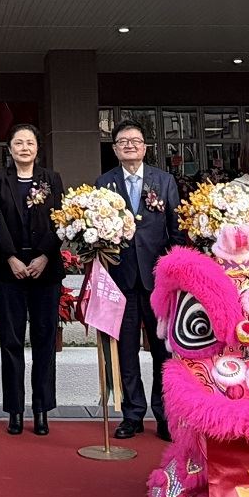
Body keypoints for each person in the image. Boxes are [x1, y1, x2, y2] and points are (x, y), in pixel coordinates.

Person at [0, 122, 65, 436]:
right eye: (18, 143)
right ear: (9, 148)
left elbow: (62, 220)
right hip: (9, 269)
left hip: (46, 268)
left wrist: (44, 255)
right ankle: (15, 410)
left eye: (30, 142)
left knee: (44, 340)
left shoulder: (51, 179)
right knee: (11, 340)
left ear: (38, 148)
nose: (24, 148)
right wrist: (11, 257)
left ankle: (42, 409)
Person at [97, 120, 177, 441]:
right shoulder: (105, 183)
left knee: (162, 352)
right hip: (122, 279)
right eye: (123, 141)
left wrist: (172, 270)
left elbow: (176, 230)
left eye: (135, 140)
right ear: (115, 149)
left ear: (145, 147)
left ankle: (165, 415)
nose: (129, 145)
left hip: (158, 281)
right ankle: (132, 414)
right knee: (126, 350)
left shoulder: (164, 180)